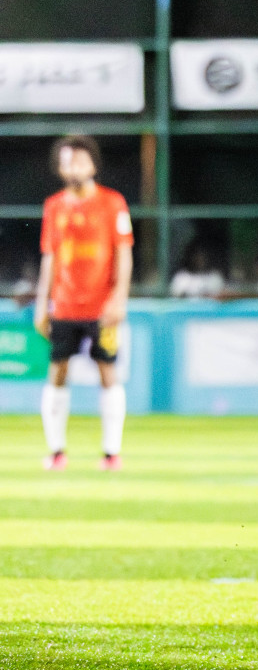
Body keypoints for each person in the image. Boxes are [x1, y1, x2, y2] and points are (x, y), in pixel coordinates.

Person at [34, 135, 133, 471]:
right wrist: (40, 303)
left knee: (108, 371)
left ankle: (111, 453)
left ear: (92, 164)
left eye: (78, 160)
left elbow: (124, 254)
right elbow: (49, 258)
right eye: (66, 161)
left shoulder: (113, 204)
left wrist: (119, 298)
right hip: (63, 307)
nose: (72, 167)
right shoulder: (54, 206)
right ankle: (57, 451)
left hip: (102, 308)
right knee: (58, 371)